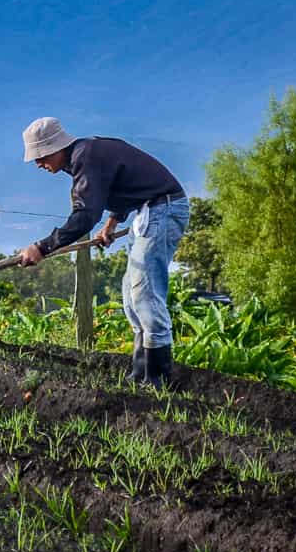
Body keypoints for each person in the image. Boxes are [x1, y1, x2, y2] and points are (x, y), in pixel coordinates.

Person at [17, 117, 189, 388]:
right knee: (131, 299)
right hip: (148, 210)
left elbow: (85, 215)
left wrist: (42, 247)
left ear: (54, 147)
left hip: (162, 209)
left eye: (39, 156)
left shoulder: (87, 157)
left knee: (145, 293)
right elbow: (126, 186)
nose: (38, 164)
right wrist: (111, 224)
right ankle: (139, 375)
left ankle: (158, 380)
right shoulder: (88, 154)